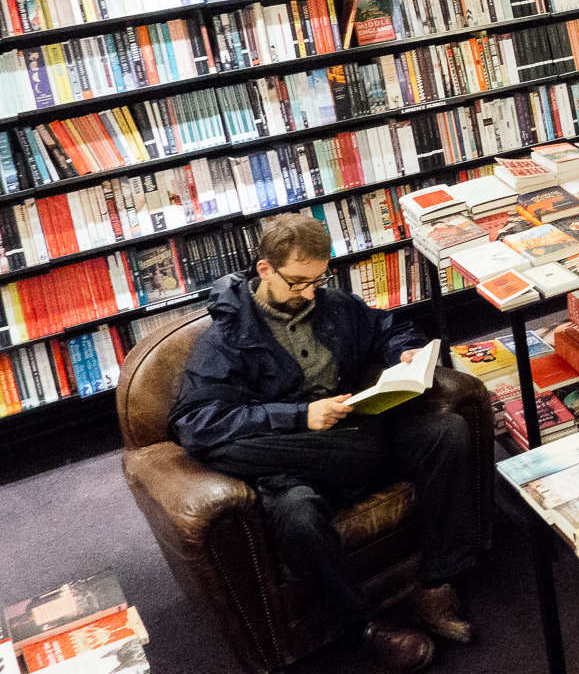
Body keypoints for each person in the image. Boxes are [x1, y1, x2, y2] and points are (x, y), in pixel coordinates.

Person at [170, 213, 478, 672]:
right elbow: (194, 421)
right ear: (265, 270)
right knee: (295, 513)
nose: (309, 293)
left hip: (355, 429)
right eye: (297, 282)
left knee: (448, 431)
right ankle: (362, 627)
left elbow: (387, 327)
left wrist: (405, 350)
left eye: (318, 280)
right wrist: (300, 415)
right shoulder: (228, 337)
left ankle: (436, 582)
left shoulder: (333, 306)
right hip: (295, 461)